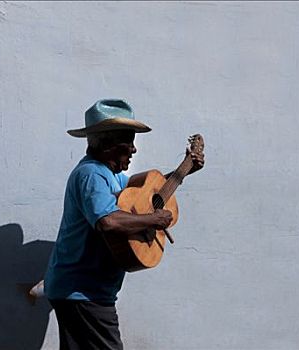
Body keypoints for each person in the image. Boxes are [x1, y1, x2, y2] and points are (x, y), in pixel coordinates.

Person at [44, 99, 204, 349]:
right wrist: (153, 219)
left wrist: (183, 171)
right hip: (83, 292)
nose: (133, 150)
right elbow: (108, 221)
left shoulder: (114, 176)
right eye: (128, 142)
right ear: (107, 144)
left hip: (87, 292)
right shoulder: (92, 175)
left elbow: (147, 197)